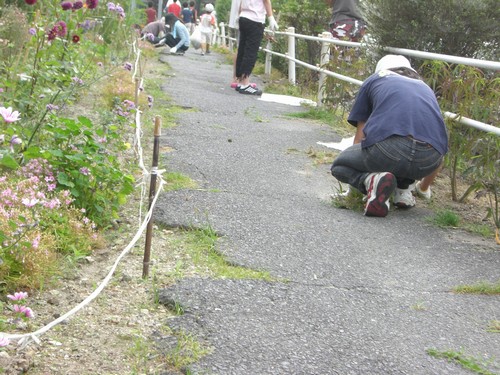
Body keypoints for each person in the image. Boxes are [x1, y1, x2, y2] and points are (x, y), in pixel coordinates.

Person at [330, 55, 448, 217]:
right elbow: (440, 148)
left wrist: (354, 189)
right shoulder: (425, 88)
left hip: (390, 151)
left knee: (340, 165)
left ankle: (370, 181)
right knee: (408, 151)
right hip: (430, 159)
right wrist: (423, 188)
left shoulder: (375, 80)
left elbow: (360, 139)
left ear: (381, 69)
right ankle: (403, 193)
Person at [235, 0, 278, 95]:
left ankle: (240, 81)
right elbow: (266, 1)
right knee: (251, 52)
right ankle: (245, 84)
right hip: (255, 19)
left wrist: (239, 15)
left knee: (242, 50)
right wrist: (271, 18)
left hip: (243, 17)